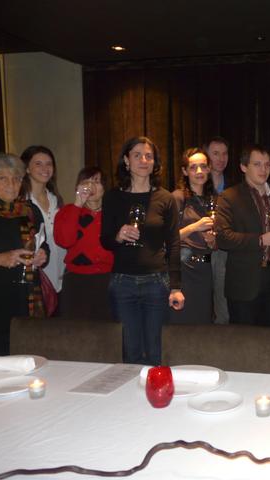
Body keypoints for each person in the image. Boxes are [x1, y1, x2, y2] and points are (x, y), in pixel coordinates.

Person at [100, 136, 184, 365]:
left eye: (149, 156)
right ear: (126, 161)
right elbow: (105, 241)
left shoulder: (165, 198)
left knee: (156, 352)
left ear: (155, 162)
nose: (143, 160)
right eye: (137, 155)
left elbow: (174, 244)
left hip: (156, 282)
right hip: (122, 283)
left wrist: (176, 286)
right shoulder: (113, 197)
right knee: (130, 352)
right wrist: (118, 236)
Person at [216, 145, 270, 327]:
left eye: (267, 165)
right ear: (243, 167)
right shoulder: (229, 196)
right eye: (257, 164)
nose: (264, 170)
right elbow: (222, 237)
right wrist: (260, 240)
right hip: (244, 281)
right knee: (245, 339)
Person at [0, 153, 48, 354]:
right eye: (2, 178)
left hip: (25, 296)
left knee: (27, 353)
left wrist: (43, 254)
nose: (11, 184)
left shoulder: (29, 210)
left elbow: (43, 242)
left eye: (16, 178)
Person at [54, 166, 114, 320]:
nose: (91, 186)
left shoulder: (114, 213)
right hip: (76, 280)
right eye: (86, 182)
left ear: (104, 188)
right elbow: (65, 241)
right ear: (77, 187)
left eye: (96, 182)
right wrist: (77, 205)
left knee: (107, 330)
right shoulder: (68, 211)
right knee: (75, 330)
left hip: (108, 279)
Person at [170, 147, 217, 324]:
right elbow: (168, 239)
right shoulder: (177, 197)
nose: (199, 171)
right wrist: (194, 227)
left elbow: (216, 243)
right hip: (184, 269)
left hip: (205, 270)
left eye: (203, 166)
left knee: (203, 324)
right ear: (184, 171)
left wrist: (213, 241)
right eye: (193, 167)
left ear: (209, 169)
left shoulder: (213, 199)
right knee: (182, 324)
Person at [20, 146, 66, 305]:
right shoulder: (21, 202)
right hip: (36, 273)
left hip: (61, 272)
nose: (45, 168)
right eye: (38, 164)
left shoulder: (56, 199)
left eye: (49, 164)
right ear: (27, 168)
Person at [204, 136, 231, 325]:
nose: (221, 158)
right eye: (215, 153)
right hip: (200, 251)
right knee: (201, 305)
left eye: (224, 153)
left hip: (224, 251)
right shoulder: (197, 185)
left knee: (224, 309)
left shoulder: (235, 186)